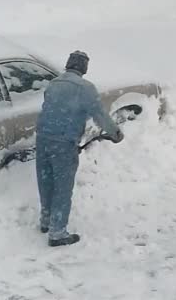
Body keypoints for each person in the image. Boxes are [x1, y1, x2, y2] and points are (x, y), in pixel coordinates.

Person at [35, 50, 124, 247]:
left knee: (46, 181)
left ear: (68, 65)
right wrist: (115, 133)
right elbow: (100, 115)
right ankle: (57, 233)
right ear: (84, 68)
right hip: (63, 142)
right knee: (62, 187)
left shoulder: (53, 83)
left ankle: (46, 220)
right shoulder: (85, 88)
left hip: (42, 139)